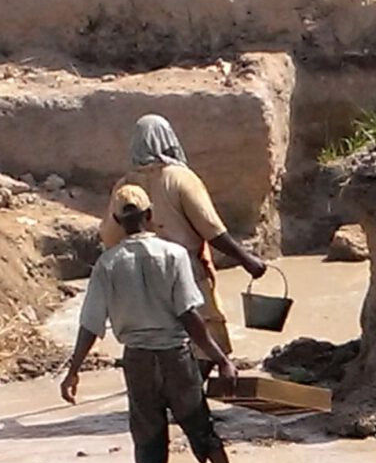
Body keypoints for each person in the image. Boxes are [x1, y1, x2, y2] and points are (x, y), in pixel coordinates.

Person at [61, 185, 242, 463]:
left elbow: (90, 324)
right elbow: (189, 316)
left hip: (138, 362)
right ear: (150, 215)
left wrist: (73, 372)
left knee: (148, 433)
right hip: (176, 356)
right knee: (199, 423)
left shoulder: (108, 264)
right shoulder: (173, 255)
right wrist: (222, 360)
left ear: (116, 220)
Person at [98, 114, 269, 367]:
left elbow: (109, 236)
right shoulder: (179, 178)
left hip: (139, 274)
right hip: (183, 267)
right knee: (205, 332)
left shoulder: (125, 186)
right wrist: (246, 260)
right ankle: (192, 393)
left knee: (158, 335)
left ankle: (168, 392)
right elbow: (211, 228)